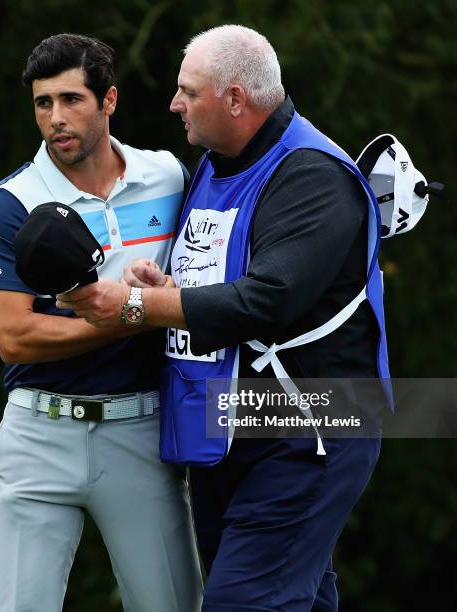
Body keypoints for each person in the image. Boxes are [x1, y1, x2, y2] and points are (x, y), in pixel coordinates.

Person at [58, 25, 391, 611]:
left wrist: (138, 305)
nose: (174, 103)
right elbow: (224, 277)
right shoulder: (216, 163)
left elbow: (264, 299)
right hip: (230, 429)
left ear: (236, 100)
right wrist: (168, 286)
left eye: (188, 91)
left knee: (242, 602)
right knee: (296, 599)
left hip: (309, 430)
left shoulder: (314, 178)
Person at [0, 33, 202, 612]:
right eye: (42, 103)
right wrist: (133, 316)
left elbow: (203, 280)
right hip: (37, 436)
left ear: (109, 101)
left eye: (72, 100)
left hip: (142, 431)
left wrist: (158, 301)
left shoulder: (170, 176)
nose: (55, 118)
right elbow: (15, 337)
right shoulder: (12, 200)